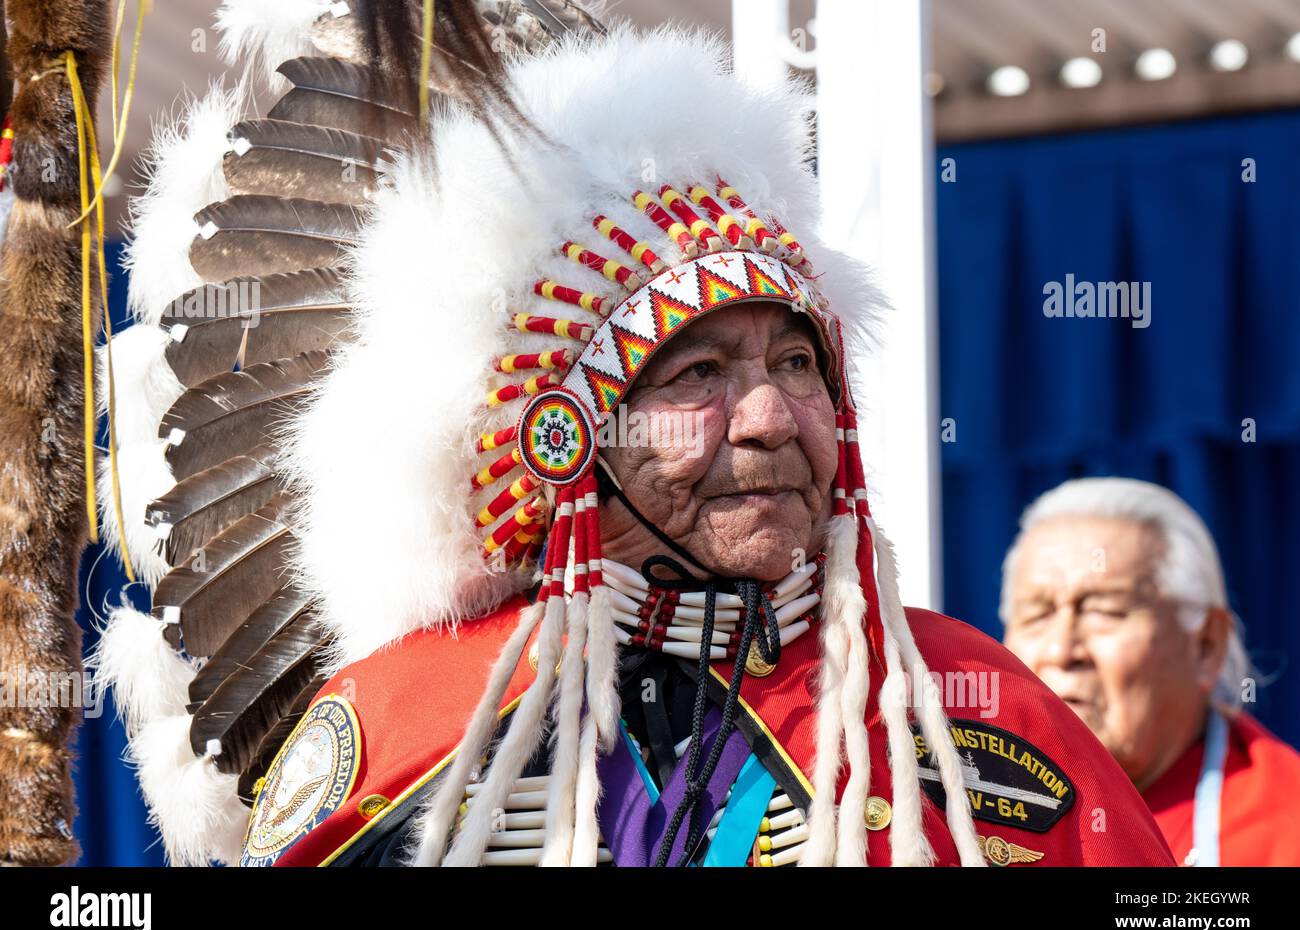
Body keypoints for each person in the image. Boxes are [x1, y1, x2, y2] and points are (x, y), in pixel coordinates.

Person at [96, 7, 1173, 868]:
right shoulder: (402, 731)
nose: (770, 419)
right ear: (571, 439)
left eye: (796, 365)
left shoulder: (970, 708)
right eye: (699, 375)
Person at [1002, 477, 1300, 866]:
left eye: (1103, 611)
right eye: (1036, 614)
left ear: (1206, 644)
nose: (1061, 650)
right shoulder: (955, 809)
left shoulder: (1284, 835)